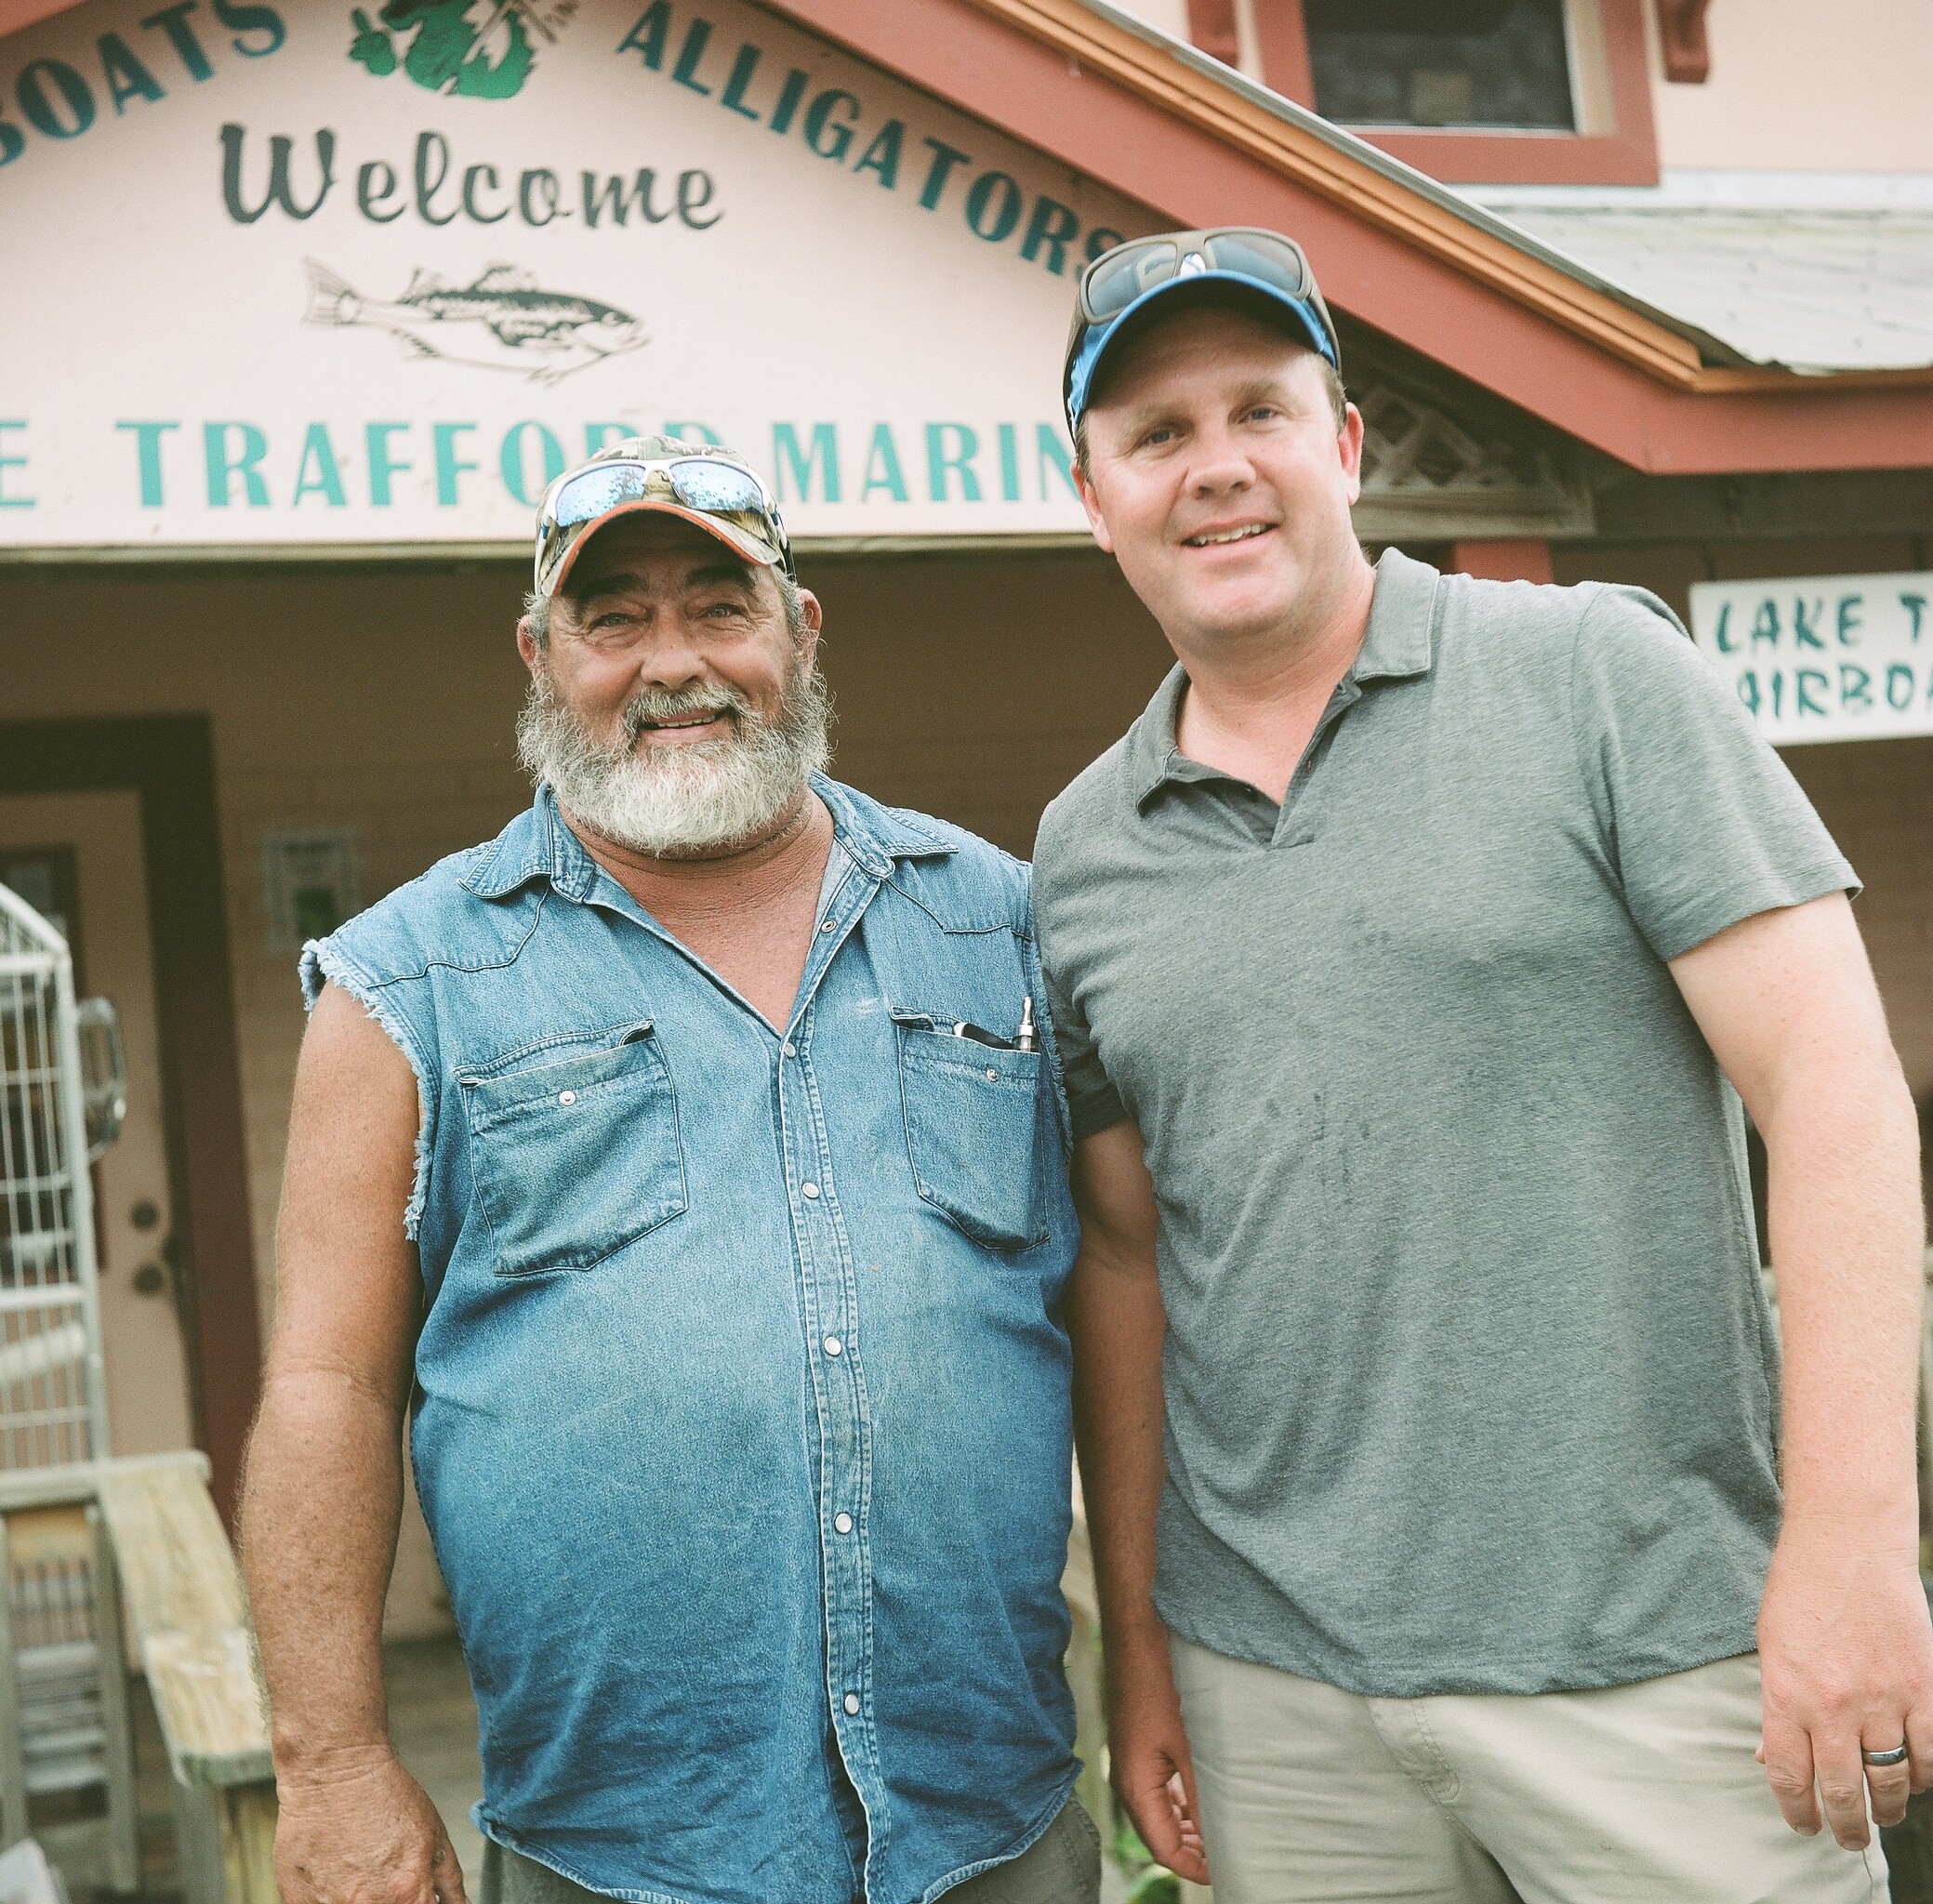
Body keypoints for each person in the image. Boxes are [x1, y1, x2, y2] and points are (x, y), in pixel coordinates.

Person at [1033, 230, 1931, 1901]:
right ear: (1091, 493)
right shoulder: (1082, 853)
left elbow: (1836, 1091)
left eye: (1262, 412)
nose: (1216, 467)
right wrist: (1143, 1658)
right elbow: (1131, 1260)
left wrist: (1856, 1545)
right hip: (1276, 1700)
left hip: (1663, 1667)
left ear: (1348, 445)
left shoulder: (1594, 677)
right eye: (1156, 435)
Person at [241, 436, 1102, 1904]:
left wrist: (1156, 1672)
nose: (673, 662)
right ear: (538, 656)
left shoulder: (1001, 925)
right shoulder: (408, 983)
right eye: (613, 618)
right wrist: (329, 1765)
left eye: (719, 605)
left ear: (800, 632)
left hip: (992, 1827)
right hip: (616, 1853)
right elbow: (329, 1389)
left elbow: (1126, 1302)